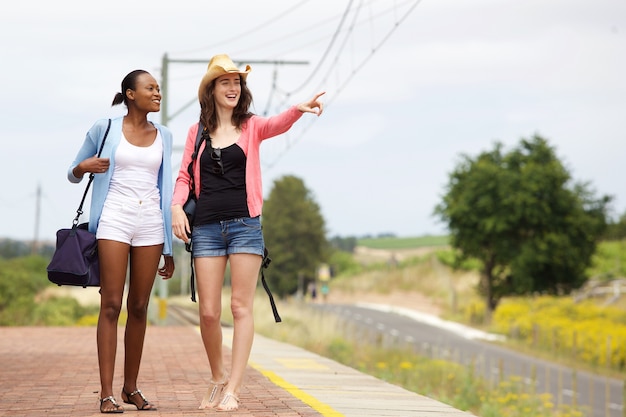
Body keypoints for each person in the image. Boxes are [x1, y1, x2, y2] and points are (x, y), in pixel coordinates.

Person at [171, 54, 324, 412]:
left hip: (244, 226)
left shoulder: (252, 126)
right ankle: (217, 377)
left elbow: (277, 124)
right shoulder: (197, 133)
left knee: (240, 307)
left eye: (237, 82)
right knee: (208, 313)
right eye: (225, 82)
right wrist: (177, 207)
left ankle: (233, 389)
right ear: (211, 89)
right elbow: (183, 178)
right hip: (206, 229)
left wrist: (299, 109)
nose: (233, 87)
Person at [68, 70, 175, 413]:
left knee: (140, 307)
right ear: (130, 94)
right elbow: (72, 170)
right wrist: (84, 166)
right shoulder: (106, 128)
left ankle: (131, 388)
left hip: (151, 225)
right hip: (114, 218)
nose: (157, 93)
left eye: (158, 88)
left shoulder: (165, 135)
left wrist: (169, 247)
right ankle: (106, 392)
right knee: (111, 304)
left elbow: (166, 189)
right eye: (150, 88)